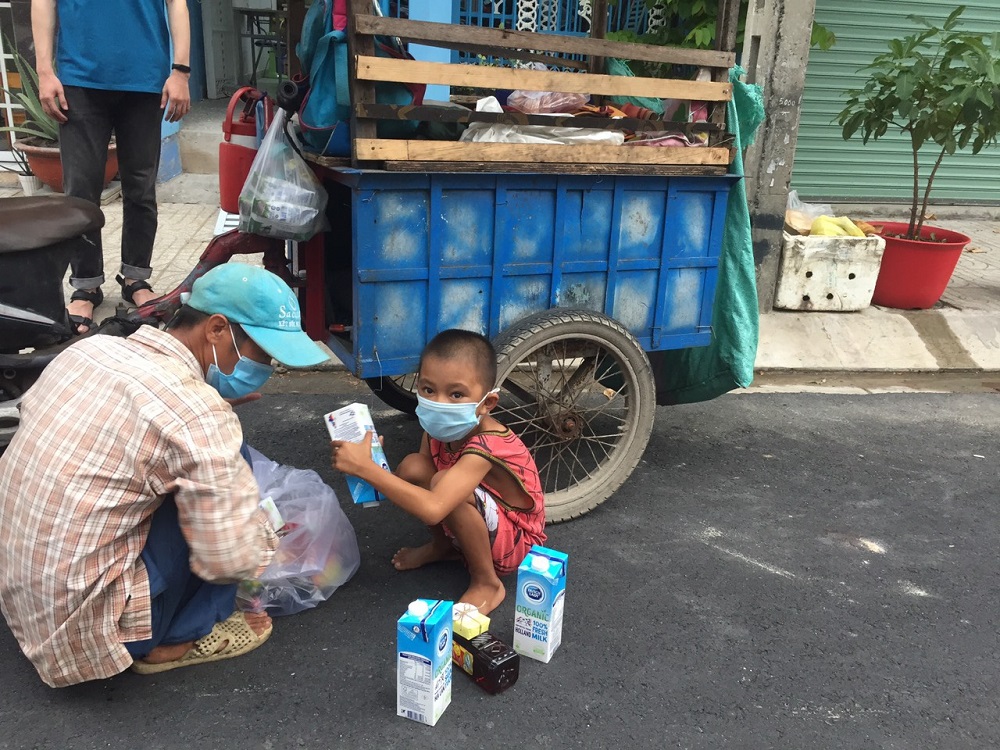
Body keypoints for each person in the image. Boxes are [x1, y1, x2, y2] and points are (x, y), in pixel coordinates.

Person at [0, 263, 329, 687]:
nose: (266, 367)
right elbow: (232, 559)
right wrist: (264, 533)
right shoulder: (197, 415)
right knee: (231, 476)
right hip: (90, 628)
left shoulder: (91, 350)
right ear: (216, 330)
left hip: (22, 587)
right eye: (262, 354)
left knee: (210, 465)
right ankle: (173, 639)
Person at [331, 329, 546, 615]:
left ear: (487, 404)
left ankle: (487, 582)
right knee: (413, 467)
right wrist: (374, 465)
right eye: (428, 390)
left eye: (456, 394)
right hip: (476, 515)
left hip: (516, 541)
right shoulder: (440, 426)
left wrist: (367, 469)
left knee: (444, 482)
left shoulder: (488, 445)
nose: (439, 403)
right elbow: (419, 481)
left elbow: (433, 507)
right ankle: (443, 547)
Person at [31, 0, 193, 333]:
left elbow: (177, 4)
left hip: (145, 78)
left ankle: (136, 278)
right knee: (80, 192)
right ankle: (86, 284)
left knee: (141, 187)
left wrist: (180, 71)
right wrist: (45, 71)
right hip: (80, 78)